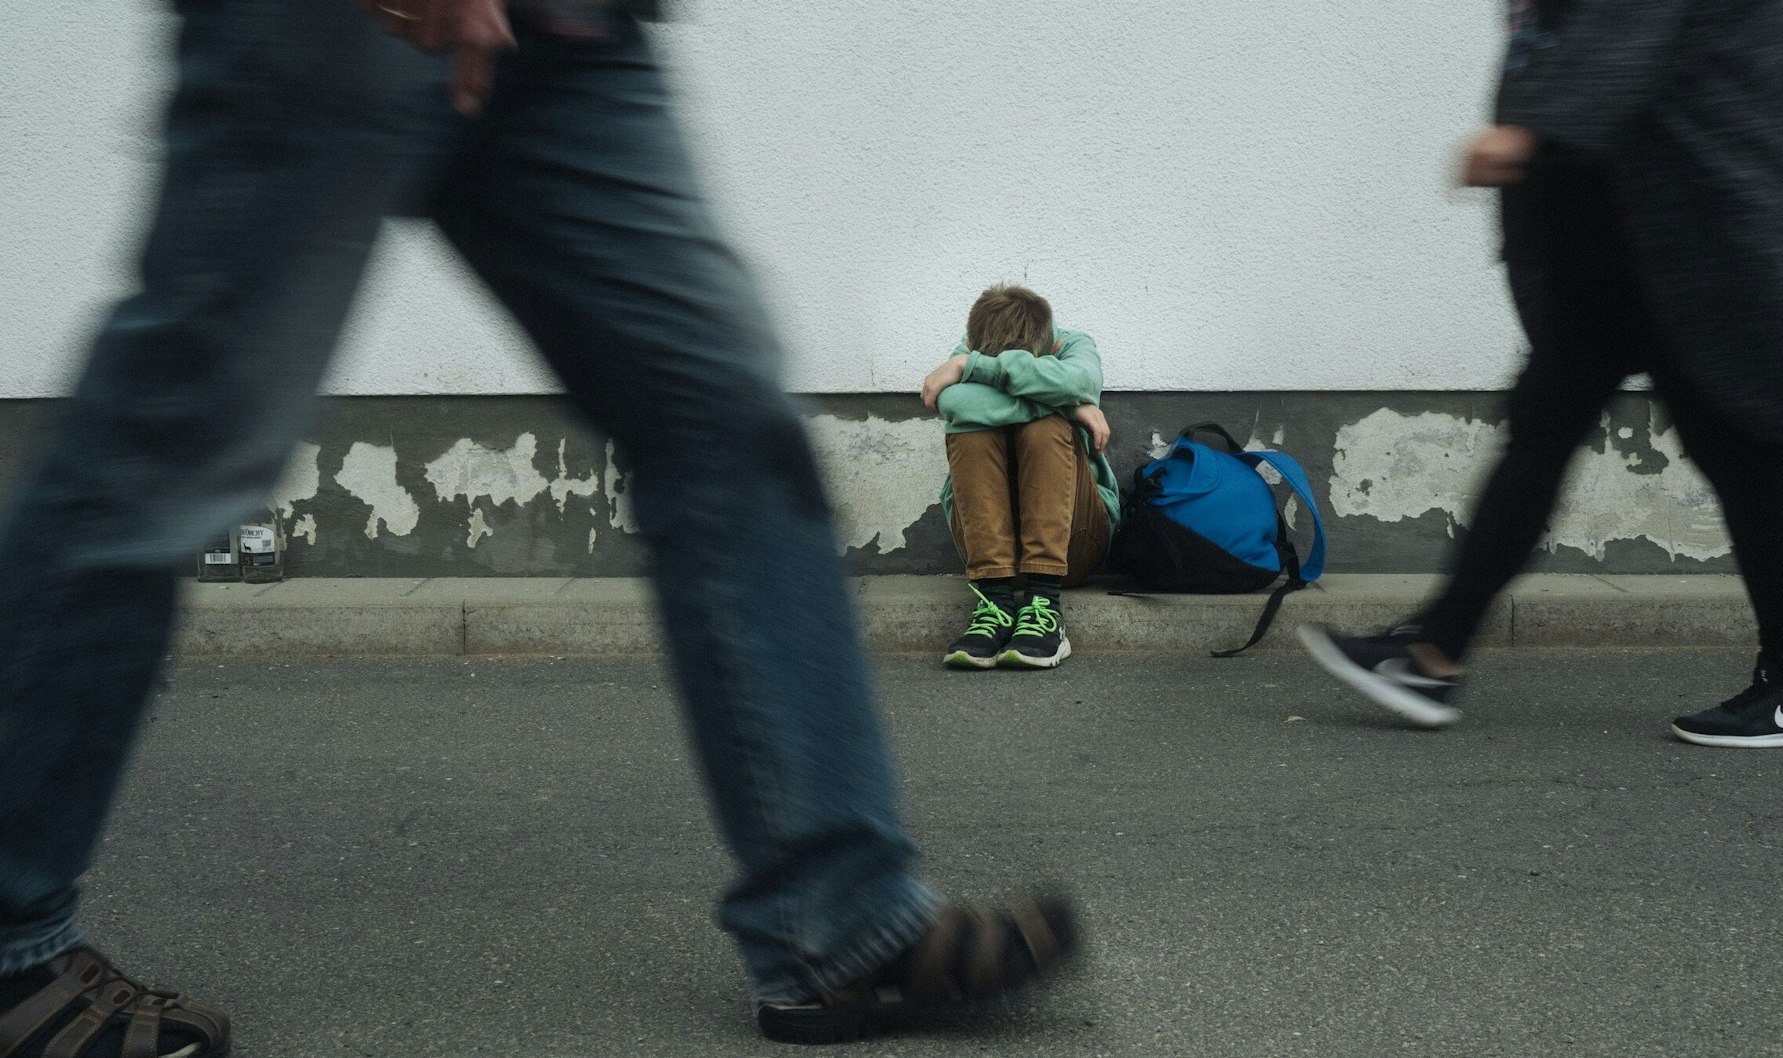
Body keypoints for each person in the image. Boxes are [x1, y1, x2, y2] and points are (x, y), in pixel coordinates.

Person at [0, 3, 1077, 1053]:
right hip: (333, 26)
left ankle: (842, 920)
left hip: (575, 37)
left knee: (727, 429)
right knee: (170, 441)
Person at [1300, 0, 1783, 750]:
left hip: (1697, 241)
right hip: (1626, 244)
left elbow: (1626, 37)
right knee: (1543, 435)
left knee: (1740, 450)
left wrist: (1526, 128)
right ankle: (1432, 652)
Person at [919, 285, 1119, 670]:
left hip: (1073, 544)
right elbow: (954, 404)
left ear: (1049, 347)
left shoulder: (1073, 346)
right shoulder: (971, 345)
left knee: (1046, 430)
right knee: (971, 430)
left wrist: (975, 370)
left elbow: (1082, 382)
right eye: (979, 359)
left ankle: (1045, 607)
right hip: (991, 557)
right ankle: (994, 601)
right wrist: (1068, 405)